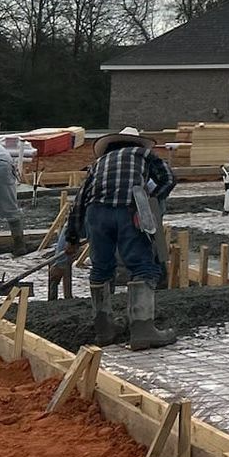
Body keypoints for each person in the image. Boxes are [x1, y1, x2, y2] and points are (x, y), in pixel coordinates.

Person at [65, 126, 177, 351]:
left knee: (101, 268)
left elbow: (80, 199)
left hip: (96, 213)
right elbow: (169, 178)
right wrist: (149, 199)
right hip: (129, 210)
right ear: (136, 143)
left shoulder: (99, 163)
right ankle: (143, 329)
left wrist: (72, 237)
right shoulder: (142, 154)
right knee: (143, 266)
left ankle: (104, 329)